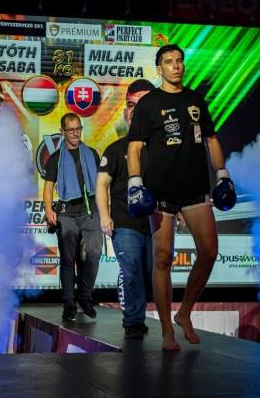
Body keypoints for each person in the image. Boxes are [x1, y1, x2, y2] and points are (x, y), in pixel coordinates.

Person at [127, 44, 235, 350]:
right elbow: (135, 147)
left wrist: (222, 173)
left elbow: (211, 139)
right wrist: (135, 182)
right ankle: (166, 330)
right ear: (159, 68)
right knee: (162, 258)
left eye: (179, 61)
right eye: (169, 62)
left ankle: (184, 312)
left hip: (194, 189)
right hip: (160, 192)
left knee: (209, 251)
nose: (176, 66)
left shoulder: (195, 100)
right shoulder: (148, 104)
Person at [96, 79, 155, 339]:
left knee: (151, 274)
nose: (135, 111)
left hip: (156, 224)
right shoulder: (115, 149)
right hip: (125, 224)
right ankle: (133, 322)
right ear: (124, 112)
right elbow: (101, 184)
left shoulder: (160, 150)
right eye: (131, 106)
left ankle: (149, 320)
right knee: (131, 268)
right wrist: (105, 216)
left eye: (142, 106)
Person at [43, 113, 102, 321]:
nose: (76, 133)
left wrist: (106, 210)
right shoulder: (56, 158)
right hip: (67, 213)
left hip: (90, 210)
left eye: (78, 129)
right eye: (71, 130)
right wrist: (48, 209)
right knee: (68, 260)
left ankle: (85, 296)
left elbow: (101, 184)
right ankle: (69, 304)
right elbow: (48, 188)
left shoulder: (92, 154)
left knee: (94, 253)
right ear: (62, 132)